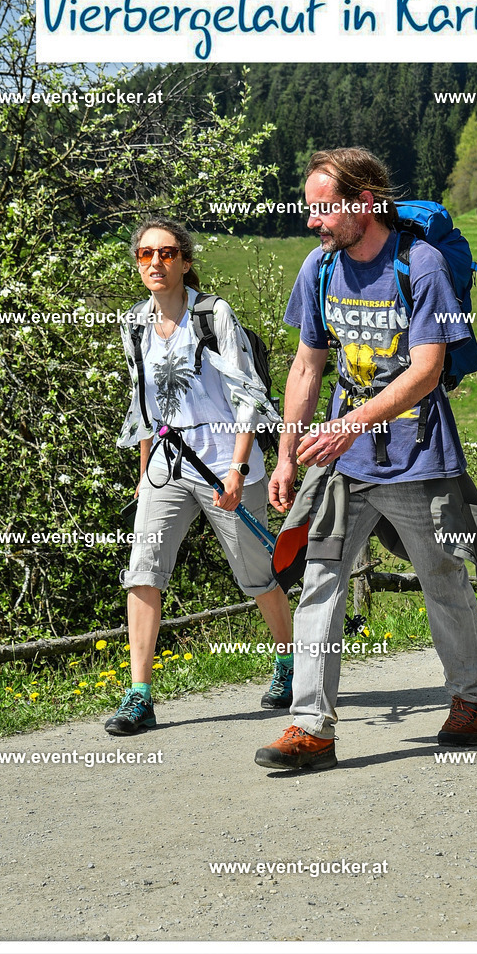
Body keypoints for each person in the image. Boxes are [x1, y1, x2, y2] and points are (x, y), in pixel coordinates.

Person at [255, 148, 477, 771]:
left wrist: (348, 425)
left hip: (418, 456)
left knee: (442, 579)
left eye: (322, 209)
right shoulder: (320, 268)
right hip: (344, 467)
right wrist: (286, 455)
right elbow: (308, 365)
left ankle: (470, 697)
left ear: (363, 204)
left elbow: (427, 370)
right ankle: (311, 727)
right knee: (321, 582)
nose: (312, 222)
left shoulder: (423, 264)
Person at [105, 216, 293, 735]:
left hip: (222, 461)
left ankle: (290, 662)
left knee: (256, 574)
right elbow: (145, 403)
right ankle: (138, 695)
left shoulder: (213, 315)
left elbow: (248, 394)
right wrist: (144, 473)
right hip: (168, 464)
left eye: (166, 253)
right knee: (143, 568)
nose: (155, 263)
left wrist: (236, 469)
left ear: (185, 261)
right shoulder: (134, 323)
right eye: (145, 255)